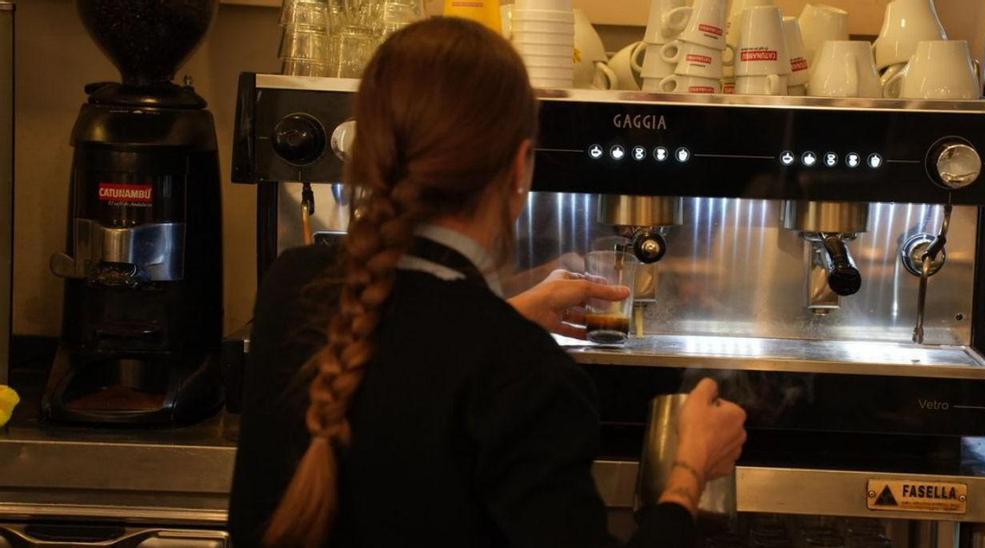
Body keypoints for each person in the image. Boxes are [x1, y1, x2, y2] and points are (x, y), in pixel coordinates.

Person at [228, 17, 748, 548]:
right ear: (522, 167)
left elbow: (414, 354)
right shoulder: (530, 375)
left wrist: (503, 313)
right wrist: (690, 471)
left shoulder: (289, 286)